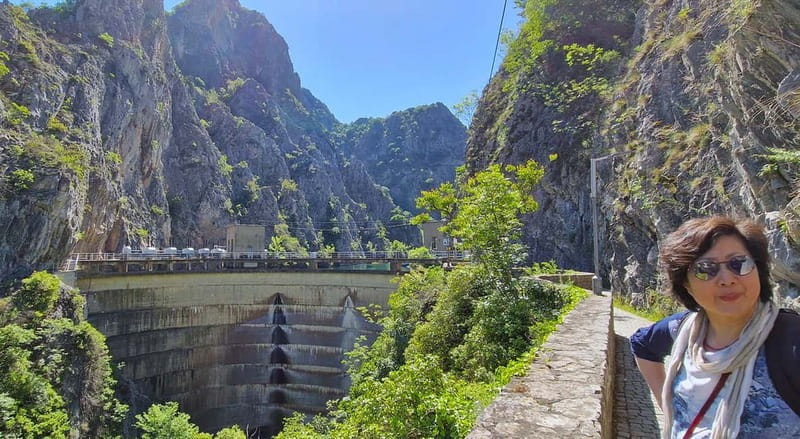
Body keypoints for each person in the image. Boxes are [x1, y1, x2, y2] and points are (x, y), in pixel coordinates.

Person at [630, 216, 800, 438]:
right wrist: (671, 407)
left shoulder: (791, 341)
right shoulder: (683, 328)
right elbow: (642, 344)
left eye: (739, 263)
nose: (727, 279)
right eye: (705, 269)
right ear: (686, 285)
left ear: (758, 270)